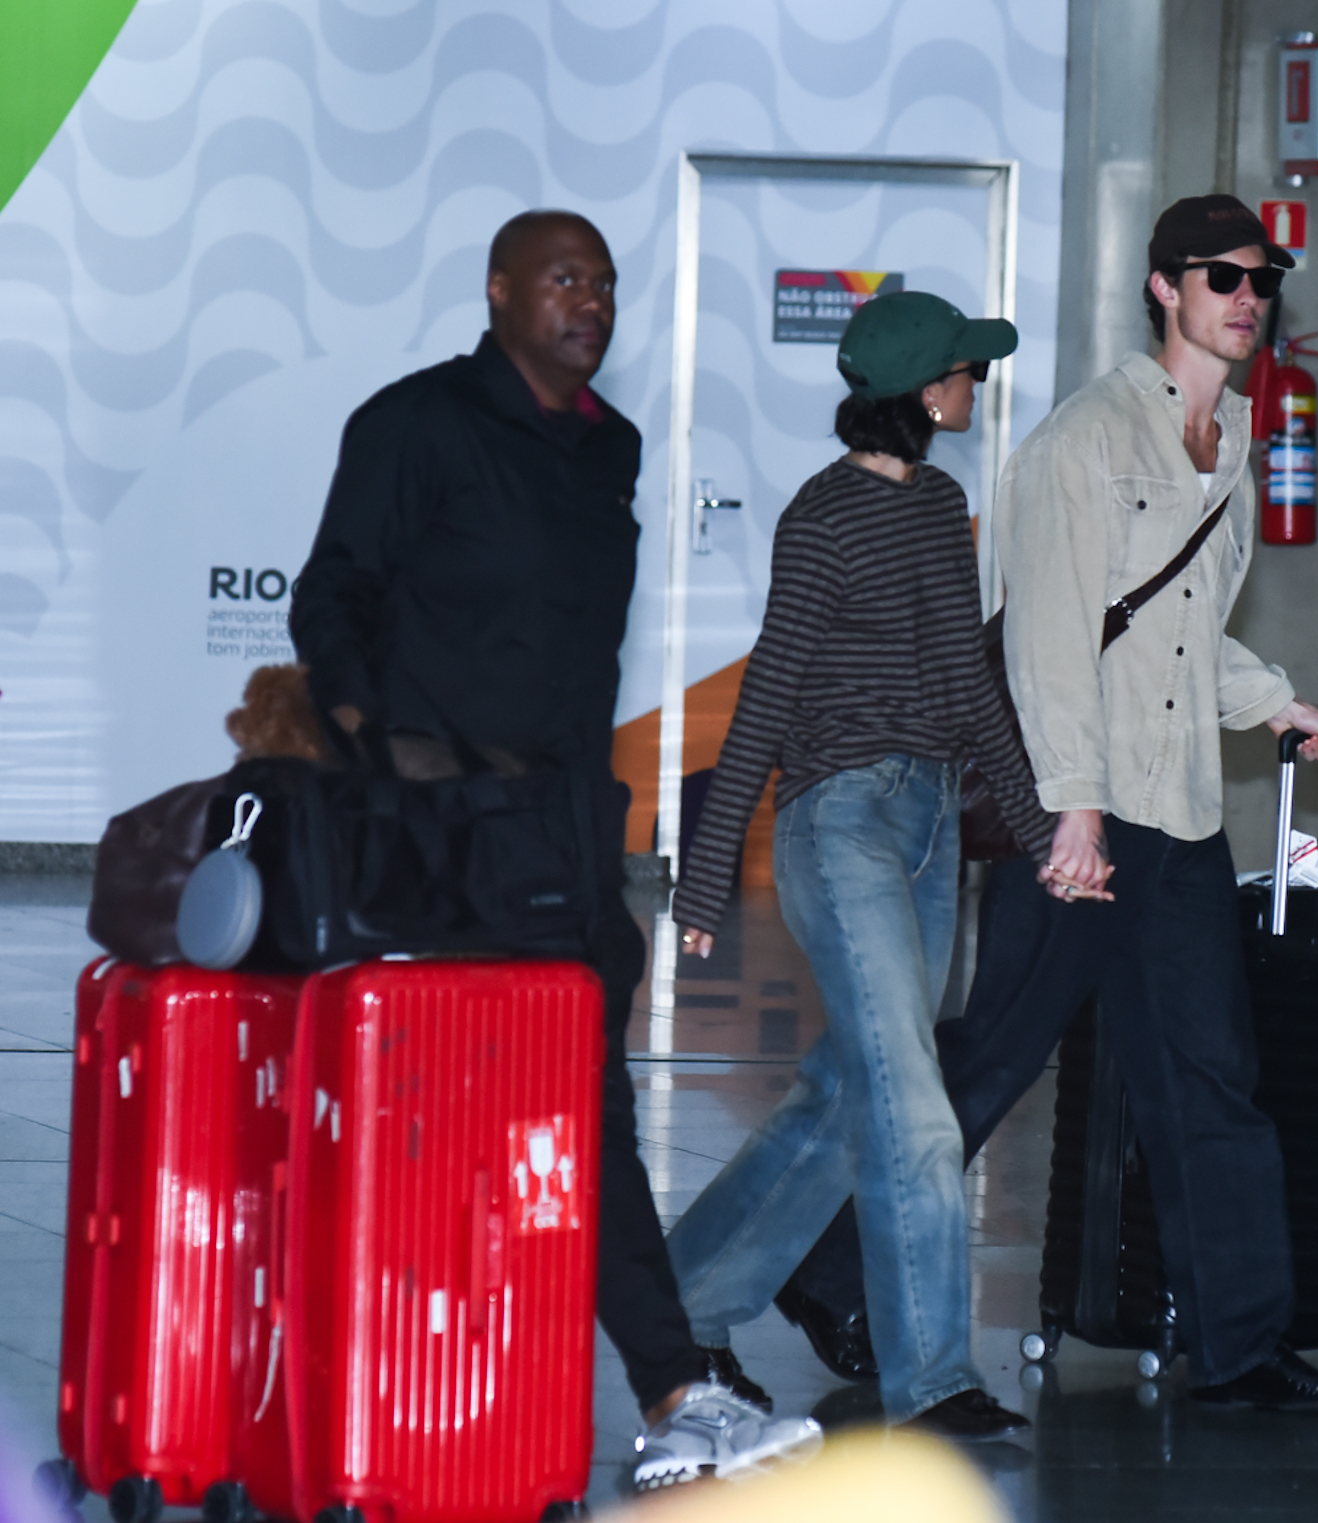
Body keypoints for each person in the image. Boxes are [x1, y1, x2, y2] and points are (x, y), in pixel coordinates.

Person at [772, 195, 1318, 1411]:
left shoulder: (1232, 438)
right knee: (995, 1053)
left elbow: (1178, 633)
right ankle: (830, 1276)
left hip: (1180, 811)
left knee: (1209, 1075)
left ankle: (1238, 1346)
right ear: (1162, 287)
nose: (1245, 298)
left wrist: (1273, 703)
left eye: (1260, 279)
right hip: (1077, 810)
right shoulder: (1080, 442)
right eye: (1219, 277)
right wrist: (1074, 813)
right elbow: (1047, 643)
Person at [288, 209, 821, 1490]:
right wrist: (382, 750)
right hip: (439, 835)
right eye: (565, 279)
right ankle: (571, 1386)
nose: (592, 303)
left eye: (606, 283)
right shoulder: (415, 425)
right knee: (496, 1113)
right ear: (499, 291)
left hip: (566, 838)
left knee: (579, 1107)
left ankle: (655, 1389)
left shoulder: (609, 446)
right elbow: (332, 594)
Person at [666, 290, 1070, 1442]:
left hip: (929, 823)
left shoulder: (939, 507)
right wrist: (704, 875)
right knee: (916, 1110)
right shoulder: (821, 516)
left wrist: (1040, 833)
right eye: (967, 370)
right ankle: (932, 1376)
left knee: (851, 1089)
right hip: (838, 823)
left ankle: (680, 1295)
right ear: (927, 391)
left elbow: (967, 687)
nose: (976, 386)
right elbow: (767, 694)